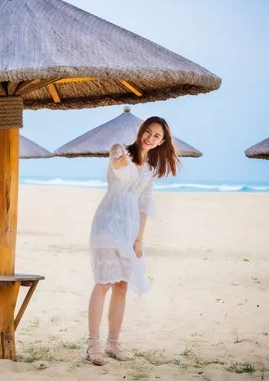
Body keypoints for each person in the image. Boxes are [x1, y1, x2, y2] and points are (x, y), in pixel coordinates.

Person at [85, 116, 181, 366]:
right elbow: (120, 169)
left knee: (121, 286)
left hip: (129, 229)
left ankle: (113, 343)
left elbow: (144, 204)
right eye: (148, 131)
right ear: (141, 131)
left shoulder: (150, 169)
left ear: (162, 142)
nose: (150, 138)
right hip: (107, 224)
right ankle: (93, 345)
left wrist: (139, 239)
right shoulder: (120, 151)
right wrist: (121, 163)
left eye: (156, 136)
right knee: (103, 282)